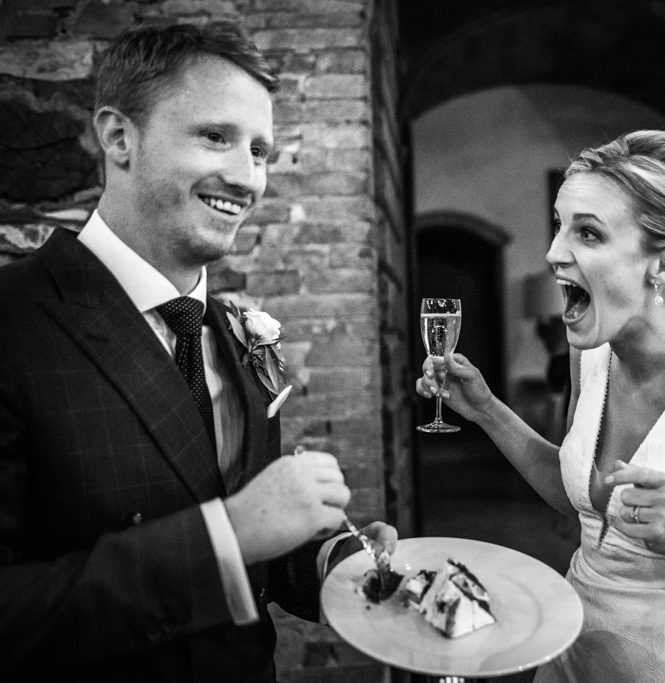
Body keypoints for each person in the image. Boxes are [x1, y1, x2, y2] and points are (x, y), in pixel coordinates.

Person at [0, 22, 396, 681]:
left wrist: (326, 560)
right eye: (215, 136)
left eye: (260, 150)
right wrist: (227, 536)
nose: (247, 178)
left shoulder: (238, 332)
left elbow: (247, 528)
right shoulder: (15, 321)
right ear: (119, 137)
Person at [416, 130, 665, 682]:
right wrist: (485, 409)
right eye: (559, 225)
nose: (554, 253)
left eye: (587, 232)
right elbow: (579, 497)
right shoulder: (591, 353)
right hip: (570, 652)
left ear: (663, 263)